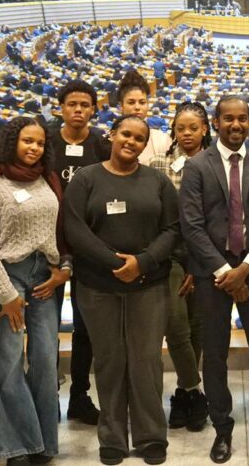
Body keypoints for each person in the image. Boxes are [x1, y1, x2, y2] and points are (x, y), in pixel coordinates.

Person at [179, 96, 249, 465]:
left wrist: (246, 267)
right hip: (212, 273)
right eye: (229, 118)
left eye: (243, 118)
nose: (236, 125)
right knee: (214, 354)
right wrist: (225, 271)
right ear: (216, 122)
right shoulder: (197, 166)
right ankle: (222, 429)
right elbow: (192, 226)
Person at [64, 115, 180, 466]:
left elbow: (172, 229)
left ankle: (150, 437)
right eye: (125, 134)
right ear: (112, 135)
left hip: (149, 285)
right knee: (109, 361)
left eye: (139, 138)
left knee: (146, 362)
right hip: (98, 286)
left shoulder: (158, 181)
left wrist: (142, 262)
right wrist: (115, 263)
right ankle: (112, 438)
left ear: (145, 145)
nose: (131, 141)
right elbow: (74, 228)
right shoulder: (86, 179)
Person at [0, 116, 70, 465]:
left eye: (40, 143)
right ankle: (15, 446)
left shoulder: (49, 180)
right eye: (28, 141)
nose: (34, 148)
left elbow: (62, 232)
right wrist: (6, 294)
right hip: (7, 276)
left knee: (45, 358)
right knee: (9, 360)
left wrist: (63, 270)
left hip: (44, 277)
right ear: (11, 142)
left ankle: (43, 443)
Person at [50, 79, 108, 425]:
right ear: (61, 108)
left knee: (86, 328)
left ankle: (79, 397)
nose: (78, 110)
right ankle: (45, 396)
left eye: (85, 105)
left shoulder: (101, 144)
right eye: (72, 104)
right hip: (50, 244)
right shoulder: (47, 141)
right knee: (46, 326)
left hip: (89, 244)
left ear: (93, 110)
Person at [149, 102, 210, 432]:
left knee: (196, 325)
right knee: (176, 326)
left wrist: (199, 262)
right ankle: (194, 390)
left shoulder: (214, 163)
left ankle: (184, 396)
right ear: (173, 130)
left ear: (205, 130)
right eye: (181, 128)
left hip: (204, 256)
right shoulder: (159, 163)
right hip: (169, 253)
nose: (187, 133)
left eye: (193, 128)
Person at [117, 69, 173, 160]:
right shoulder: (108, 140)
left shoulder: (162, 140)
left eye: (142, 102)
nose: (137, 107)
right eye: (131, 103)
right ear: (121, 106)